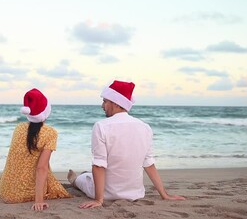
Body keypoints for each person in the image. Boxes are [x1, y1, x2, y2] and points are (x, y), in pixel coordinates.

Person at [67, 80, 185, 209]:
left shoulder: (101, 126)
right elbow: (149, 163)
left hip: (108, 193)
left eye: (105, 101)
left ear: (116, 103)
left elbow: (99, 165)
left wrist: (98, 200)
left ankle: (75, 180)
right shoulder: (145, 127)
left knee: (83, 180)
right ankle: (85, 175)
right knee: (91, 174)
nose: (102, 105)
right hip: (135, 194)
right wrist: (164, 194)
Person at [0, 88, 71, 211]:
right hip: (27, 193)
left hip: (6, 191)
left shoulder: (19, 128)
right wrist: (39, 201)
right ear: (46, 111)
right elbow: (41, 168)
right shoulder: (50, 133)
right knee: (55, 184)